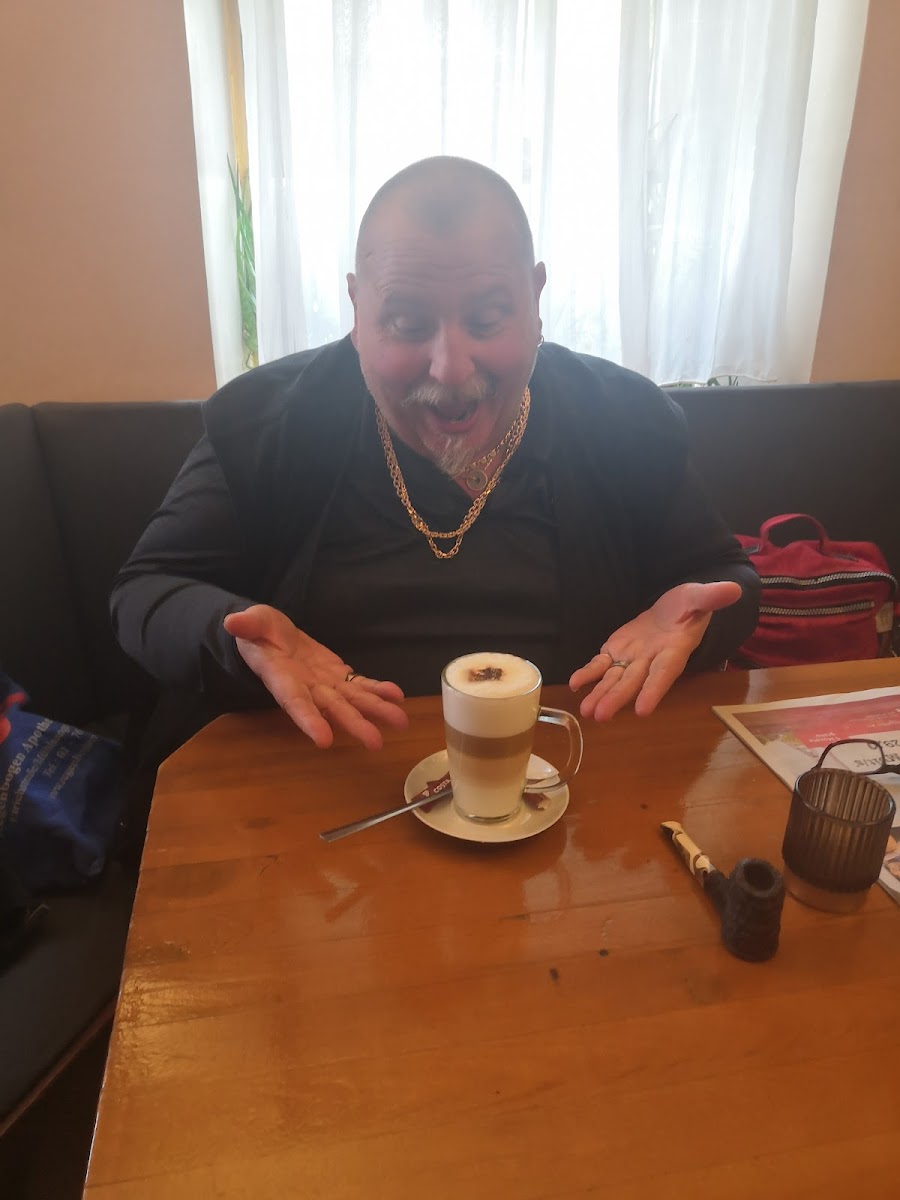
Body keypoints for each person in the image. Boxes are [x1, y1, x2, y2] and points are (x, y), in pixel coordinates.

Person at [111, 156, 759, 754]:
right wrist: (236, 639)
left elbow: (724, 577)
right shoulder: (267, 423)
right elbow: (146, 590)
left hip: (566, 769)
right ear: (358, 310)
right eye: (408, 324)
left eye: (488, 319)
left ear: (535, 301)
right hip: (320, 773)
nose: (451, 370)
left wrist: (694, 626)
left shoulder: (624, 419)